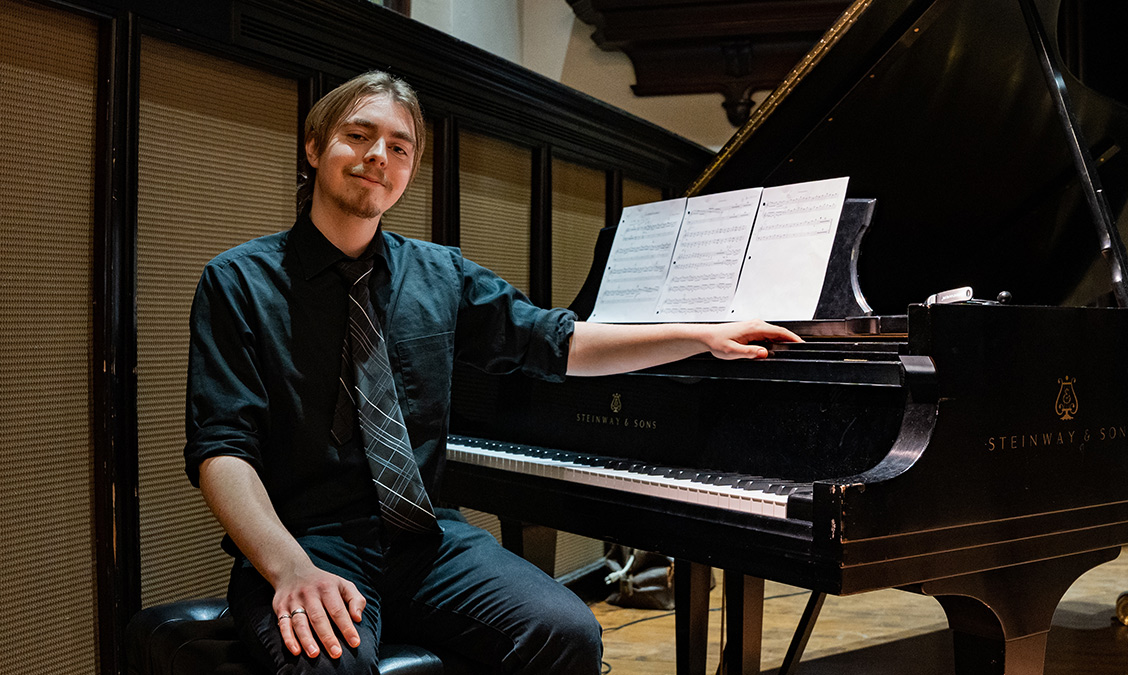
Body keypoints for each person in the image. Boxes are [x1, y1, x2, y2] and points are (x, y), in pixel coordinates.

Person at [184, 70, 800, 675]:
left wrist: (700, 337)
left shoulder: (439, 274)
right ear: (315, 148)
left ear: (410, 172)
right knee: (328, 666)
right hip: (307, 540)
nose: (378, 156)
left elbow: (560, 342)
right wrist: (288, 566)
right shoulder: (237, 282)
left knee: (567, 633)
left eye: (399, 147)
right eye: (358, 136)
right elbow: (222, 451)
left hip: (423, 541)